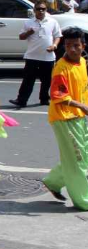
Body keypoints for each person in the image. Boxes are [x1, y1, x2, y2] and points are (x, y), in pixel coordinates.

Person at [41, 28, 88, 210]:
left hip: (79, 117)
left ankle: (52, 182)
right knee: (77, 161)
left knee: (81, 156)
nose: (72, 49)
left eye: (76, 45)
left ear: (83, 45)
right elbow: (57, 95)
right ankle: (83, 200)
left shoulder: (82, 62)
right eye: (68, 46)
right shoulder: (61, 68)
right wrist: (82, 106)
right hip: (65, 118)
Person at [10, 2, 61, 108]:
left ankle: (44, 99)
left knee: (47, 80)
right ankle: (21, 100)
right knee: (28, 80)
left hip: (48, 57)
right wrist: (29, 32)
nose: (41, 11)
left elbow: (58, 35)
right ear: (34, 10)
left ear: (46, 10)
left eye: (43, 9)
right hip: (32, 56)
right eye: (38, 9)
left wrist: (54, 46)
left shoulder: (52, 22)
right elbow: (21, 37)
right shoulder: (29, 23)